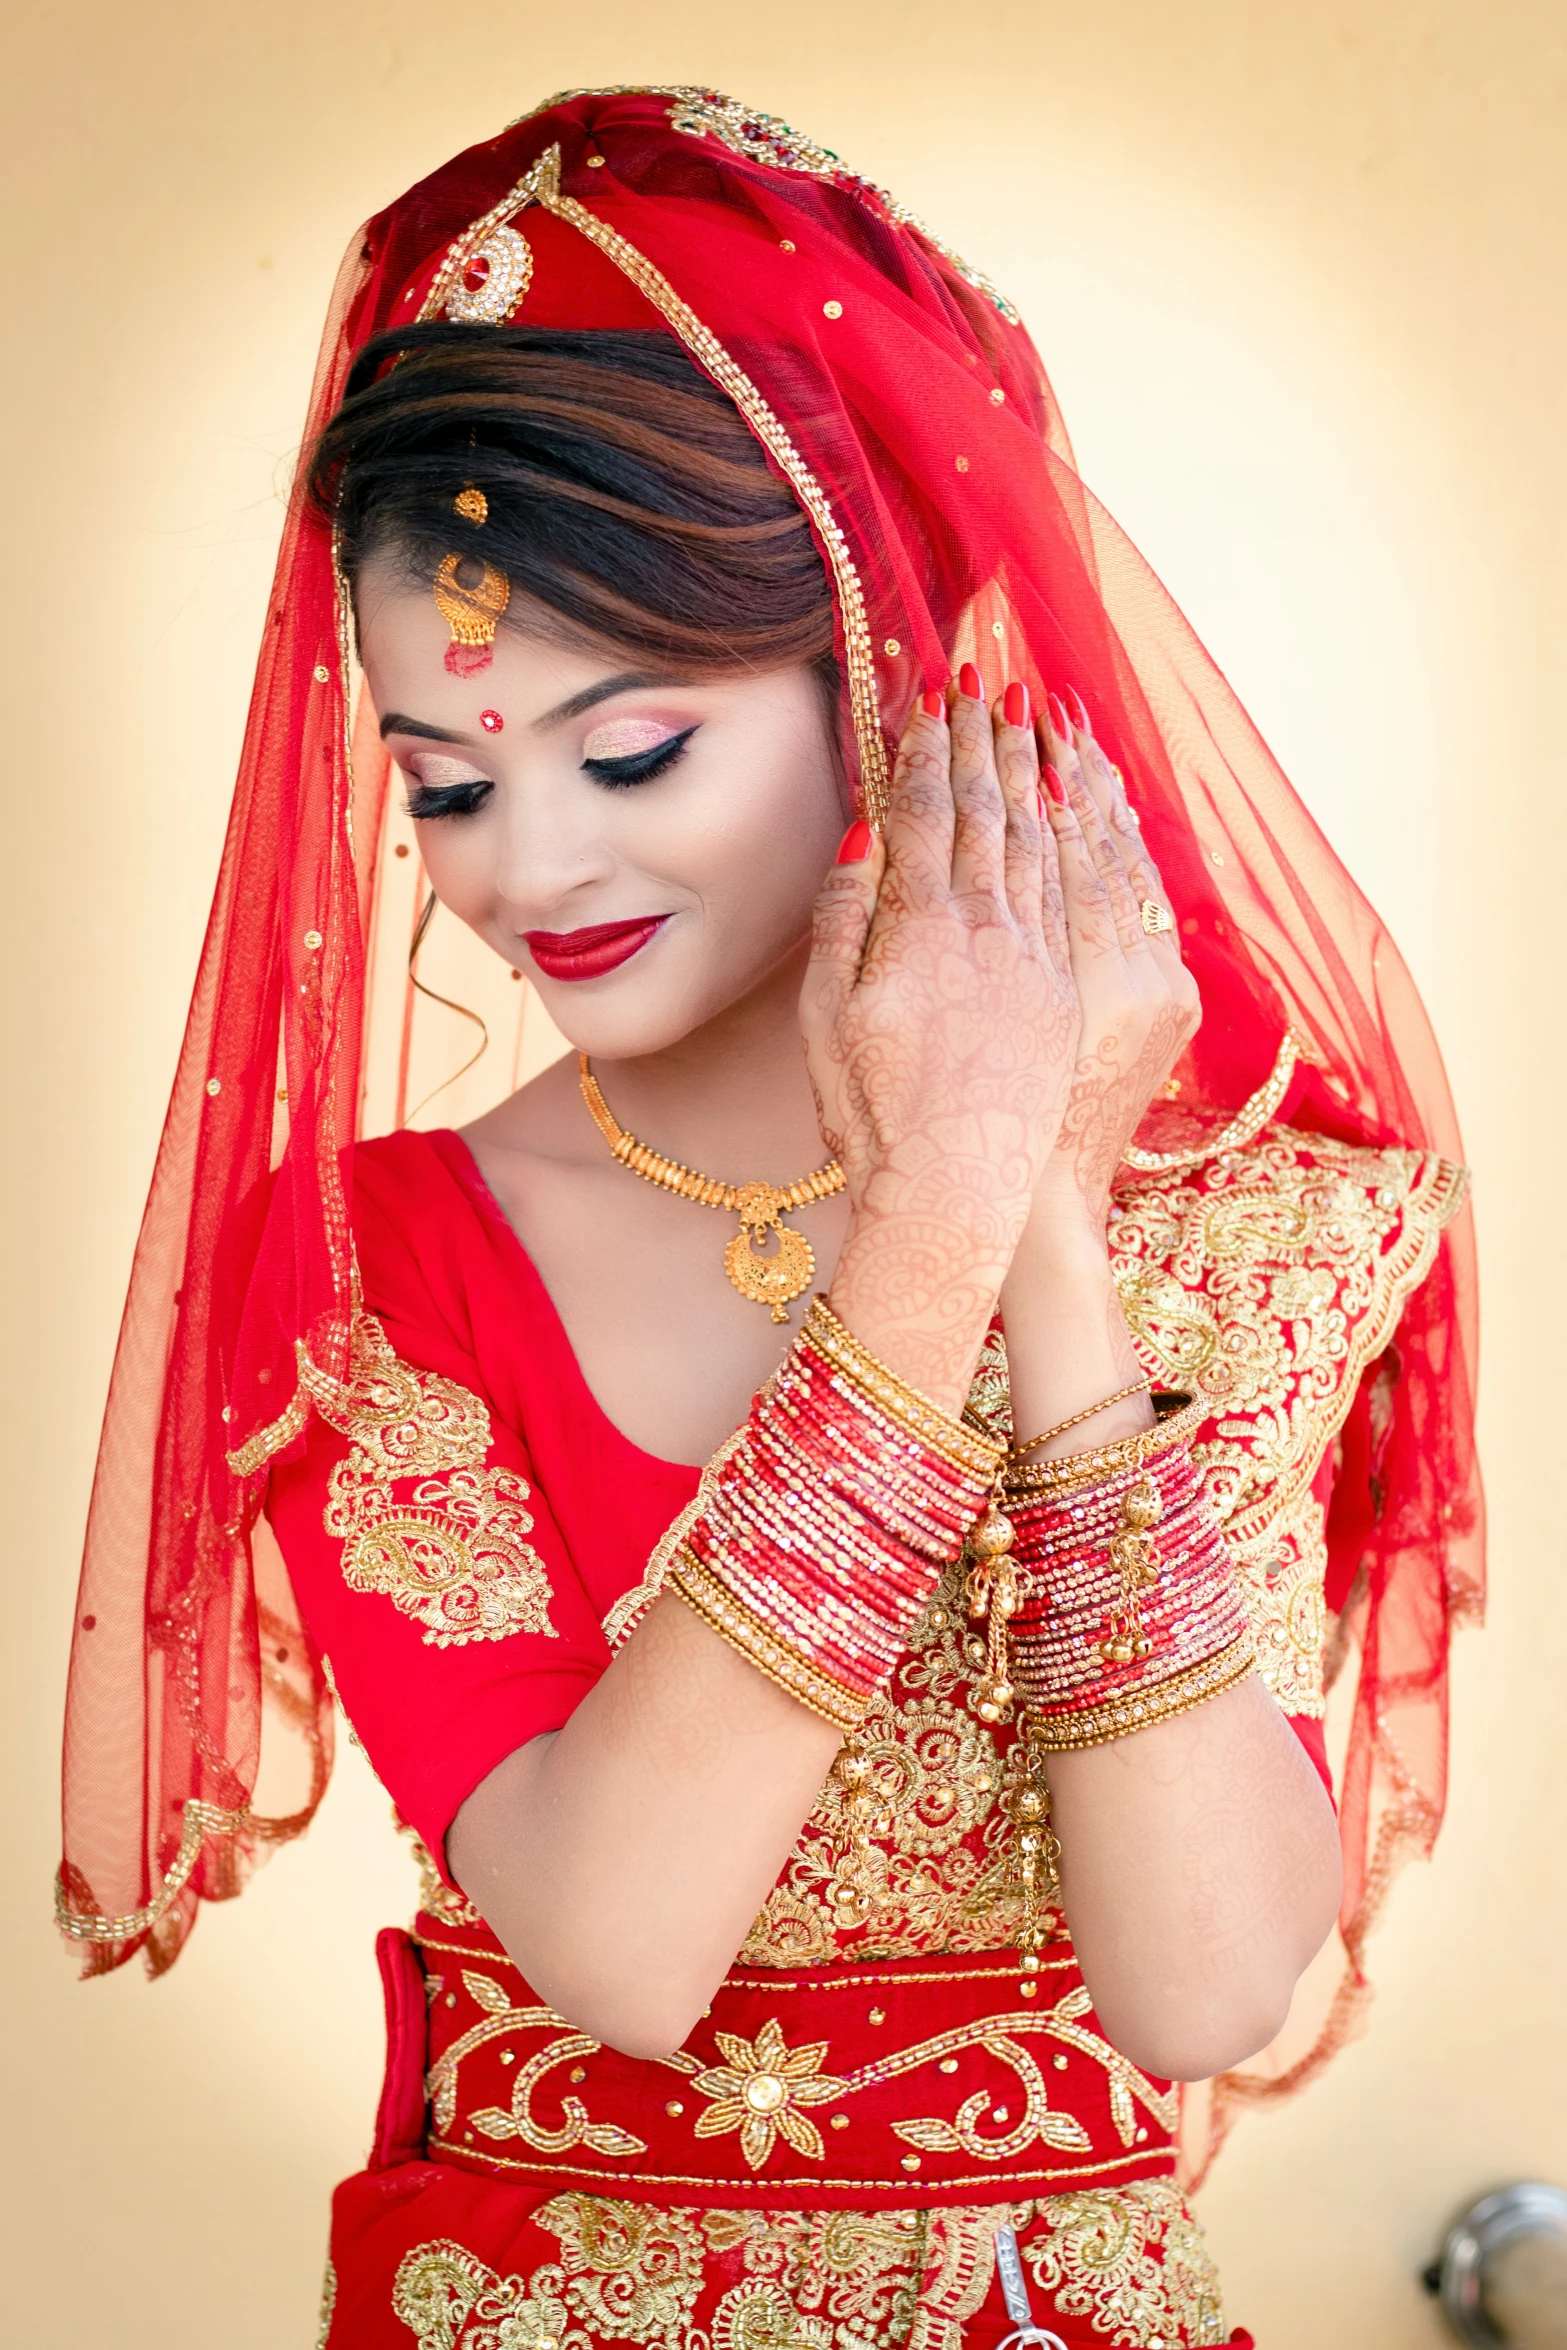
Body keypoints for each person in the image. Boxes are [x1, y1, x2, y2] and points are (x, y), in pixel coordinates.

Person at [57, 87, 1482, 2350]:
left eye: (629, 757)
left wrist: (1044, 1224)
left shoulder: (1251, 1215)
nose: (523, 873)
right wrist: (926, 1233)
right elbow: (619, 1943)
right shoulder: (375, 1265)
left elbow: (1203, 1983)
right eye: (447, 781)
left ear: (891, 656)